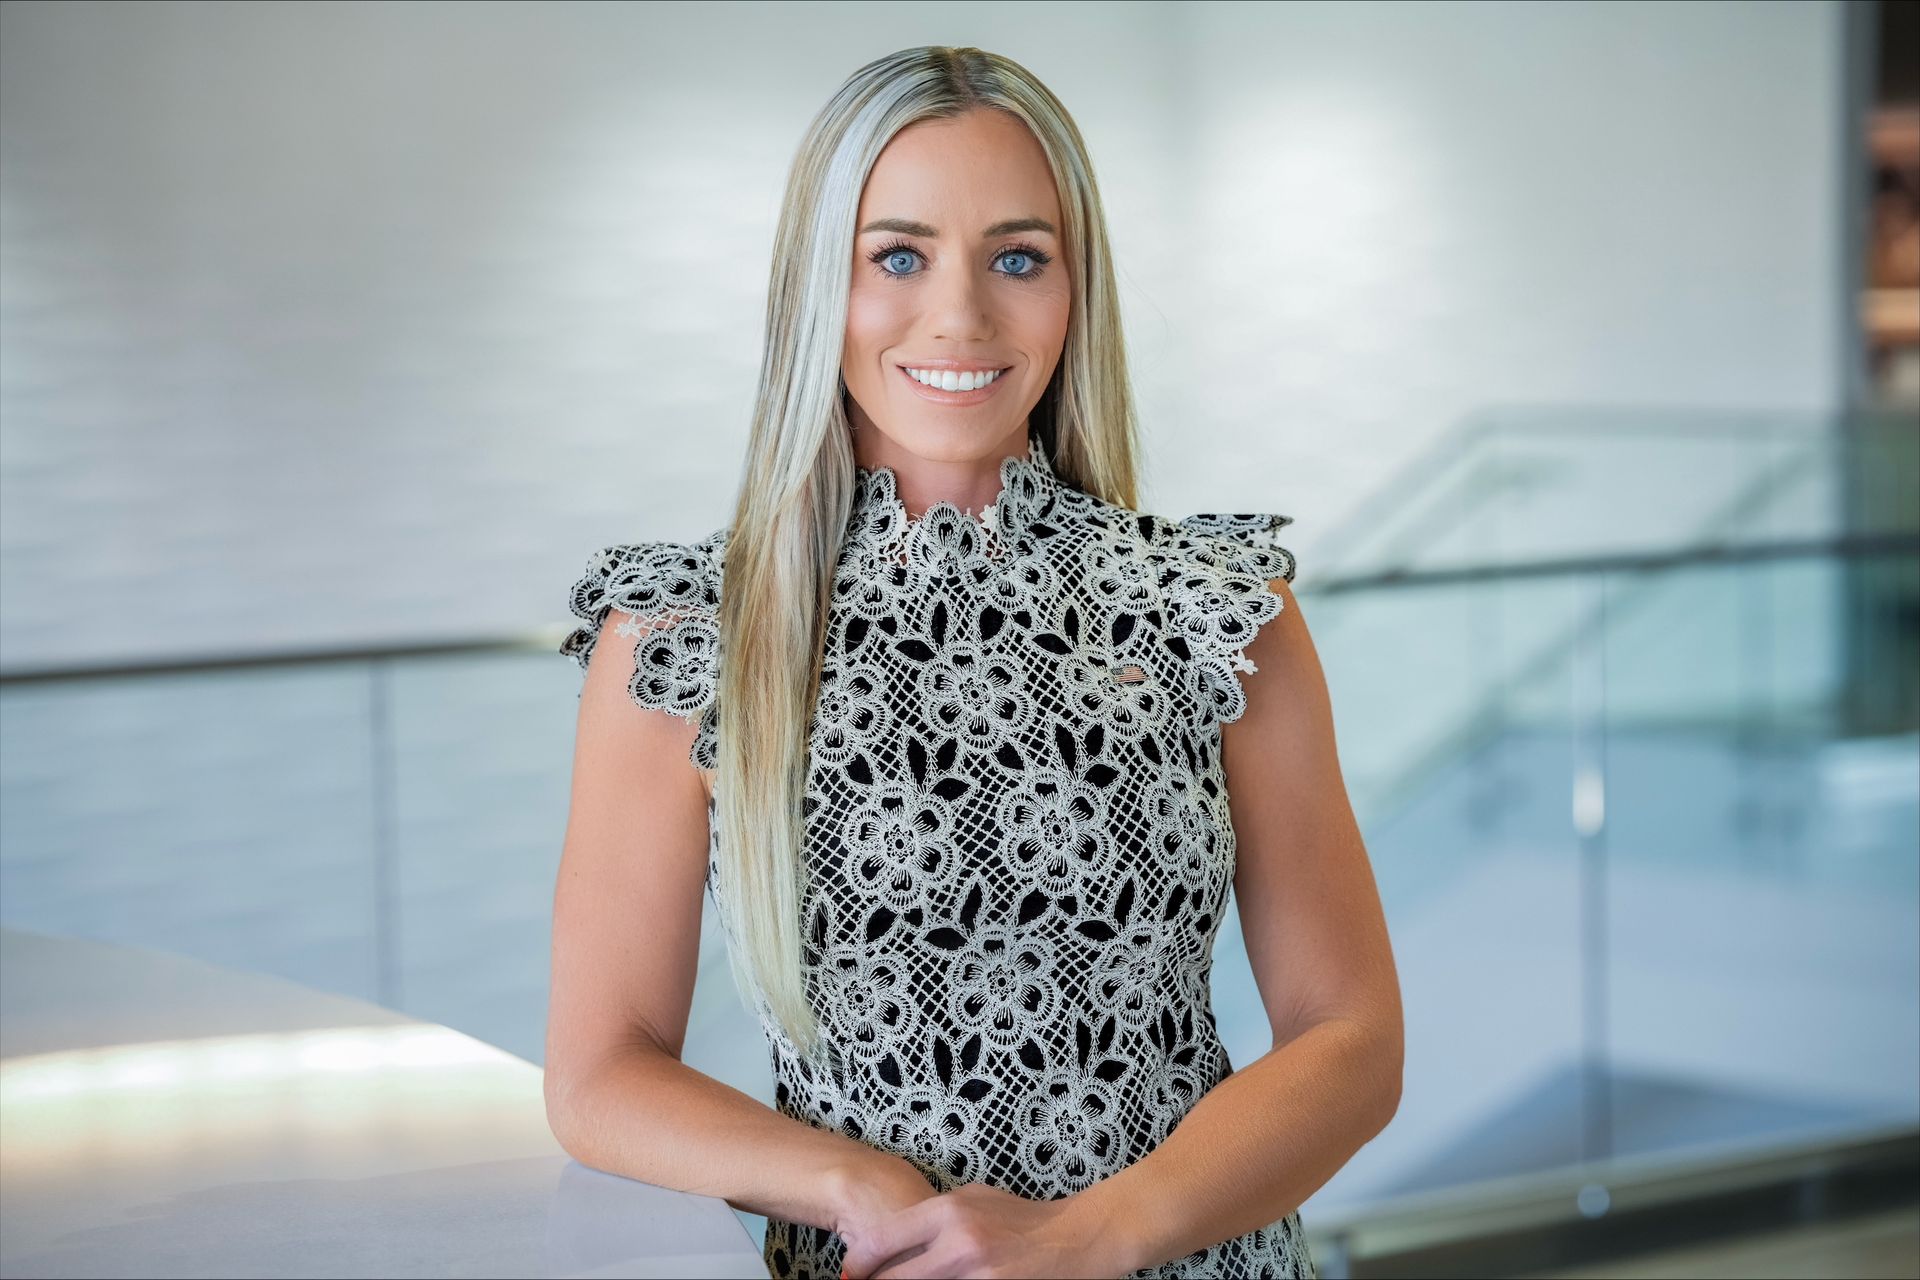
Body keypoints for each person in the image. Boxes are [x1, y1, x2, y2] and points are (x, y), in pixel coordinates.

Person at [547, 45, 1402, 1280]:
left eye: (1018, 257)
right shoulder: (685, 637)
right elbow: (599, 1071)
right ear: (814, 288)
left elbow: (1354, 1037)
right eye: (898, 255)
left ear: (1075, 290)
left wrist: (1086, 1236)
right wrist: (861, 1183)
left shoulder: (1214, 610)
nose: (959, 315)